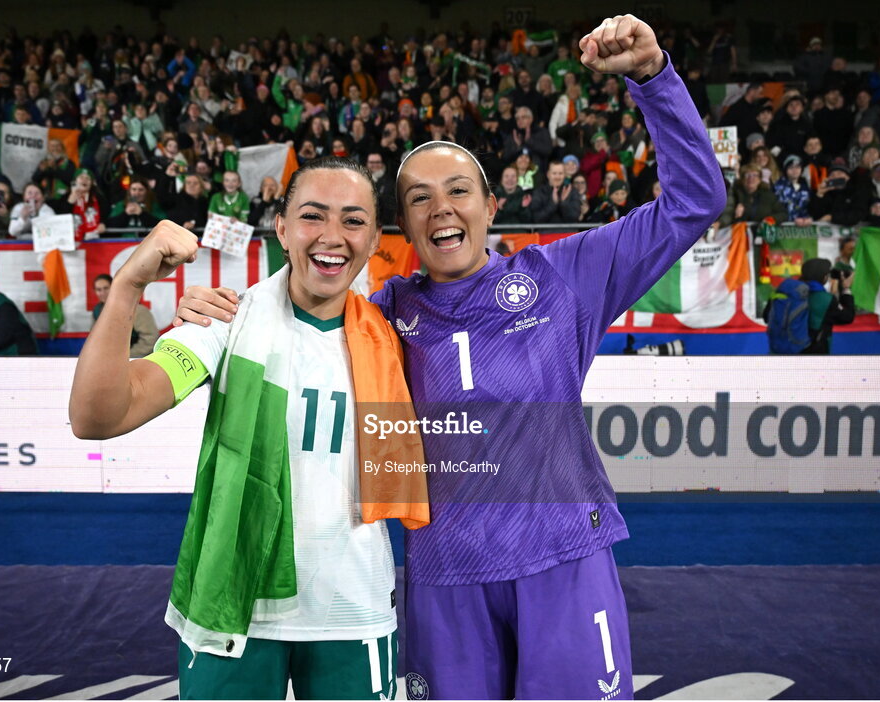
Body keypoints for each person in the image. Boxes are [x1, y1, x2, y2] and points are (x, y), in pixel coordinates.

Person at [175, 15, 725, 699]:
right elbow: (292, 318)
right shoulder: (377, 318)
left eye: (459, 191)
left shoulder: (564, 278)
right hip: (444, 581)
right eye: (419, 199)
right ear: (400, 228)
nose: (442, 210)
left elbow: (697, 200)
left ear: (490, 206)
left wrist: (654, 79)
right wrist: (213, 315)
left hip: (561, 562)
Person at [69, 157, 428, 700]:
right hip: (231, 609)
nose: (332, 236)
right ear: (281, 228)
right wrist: (128, 285)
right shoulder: (225, 320)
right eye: (313, 215)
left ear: (376, 237)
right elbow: (99, 417)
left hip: (354, 613)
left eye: (354, 221)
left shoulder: (395, 335)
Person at [763, 258, 854, 354]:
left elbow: (766, 317)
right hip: (813, 357)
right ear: (824, 278)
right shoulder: (825, 299)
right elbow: (847, 317)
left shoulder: (784, 291)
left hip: (781, 354)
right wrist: (845, 289)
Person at [90, 274, 159, 358]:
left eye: (106, 288)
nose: (102, 293)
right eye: (99, 289)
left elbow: (150, 339)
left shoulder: (137, 310)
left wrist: (125, 357)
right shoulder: (97, 310)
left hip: (136, 360)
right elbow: (95, 339)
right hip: (108, 361)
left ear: (113, 288)